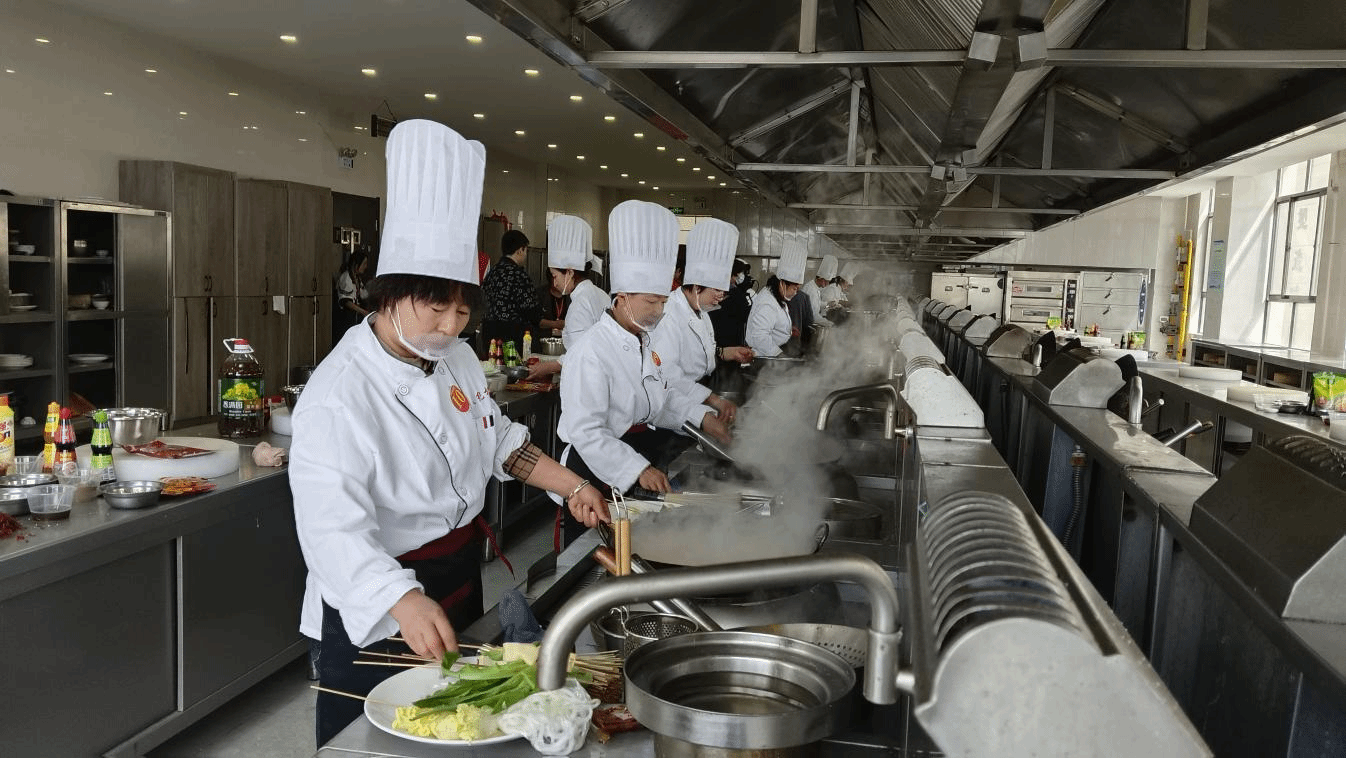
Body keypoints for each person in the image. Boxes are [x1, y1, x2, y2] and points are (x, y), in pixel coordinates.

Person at [289, 120, 609, 747]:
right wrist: (401, 600)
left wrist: (571, 485)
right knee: (381, 740)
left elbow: (499, 442)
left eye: (462, 309)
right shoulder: (339, 393)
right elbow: (330, 531)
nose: (450, 325)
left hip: (457, 572)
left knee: (459, 728)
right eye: (435, 307)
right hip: (380, 601)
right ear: (388, 295)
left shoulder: (455, 356)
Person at [554, 200, 731, 545]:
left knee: (634, 549)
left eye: (663, 302)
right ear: (621, 296)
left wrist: (702, 418)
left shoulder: (642, 341)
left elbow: (659, 401)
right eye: (651, 302)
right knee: (593, 555)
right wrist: (636, 468)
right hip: (593, 471)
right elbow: (586, 432)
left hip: (632, 454)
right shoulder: (591, 351)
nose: (660, 311)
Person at [650, 218, 753, 436]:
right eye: (717, 291)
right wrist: (713, 400)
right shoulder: (669, 315)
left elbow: (700, 352)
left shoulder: (701, 310)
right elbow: (669, 377)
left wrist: (726, 352)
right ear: (697, 286)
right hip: (676, 410)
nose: (720, 298)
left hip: (698, 396)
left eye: (723, 292)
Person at [525, 220, 611, 381]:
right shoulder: (600, 294)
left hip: (589, 380)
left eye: (555, 276)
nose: (554, 282)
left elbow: (579, 355)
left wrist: (547, 367)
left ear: (570, 273)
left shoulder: (580, 304)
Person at [480, 228, 539, 353]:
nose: (525, 255)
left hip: (489, 334)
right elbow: (531, 309)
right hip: (512, 336)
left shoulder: (492, 272)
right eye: (525, 250)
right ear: (520, 250)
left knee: (492, 364)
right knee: (511, 365)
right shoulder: (519, 274)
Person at [745, 242, 808, 357]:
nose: (795, 293)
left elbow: (773, 321)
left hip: (774, 351)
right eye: (794, 288)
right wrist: (779, 355)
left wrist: (787, 329)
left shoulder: (776, 296)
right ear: (782, 283)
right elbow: (760, 337)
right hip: (764, 357)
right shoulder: (767, 303)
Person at [710, 258, 754, 348]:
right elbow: (746, 316)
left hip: (716, 337)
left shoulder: (715, 290)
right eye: (741, 273)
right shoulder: (736, 294)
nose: (742, 276)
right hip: (732, 339)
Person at [334, 249, 371, 334]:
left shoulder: (357, 278)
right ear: (356, 264)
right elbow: (346, 302)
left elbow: (364, 295)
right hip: (345, 319)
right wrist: (363, 312)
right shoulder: (346, 278)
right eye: (364, 264)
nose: (366, 267)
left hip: (354, 319)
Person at [800, 253, 837, 327]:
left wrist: (827, 304)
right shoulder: (811, 290)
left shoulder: (815, 287)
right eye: (826, 281)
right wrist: (829, 323)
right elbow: (814, 316)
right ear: (821, 279)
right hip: (806, 325)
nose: (827, 284)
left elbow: (816, 304)